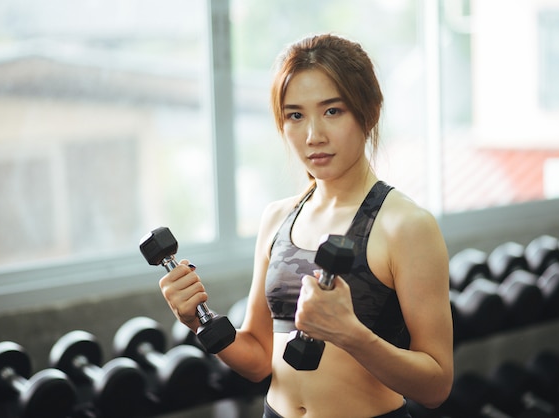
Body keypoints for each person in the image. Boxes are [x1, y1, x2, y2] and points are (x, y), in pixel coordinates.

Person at [159, 33, 454, 418]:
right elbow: (260, 359)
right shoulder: (277, 218)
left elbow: (437, 386)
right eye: (295, 115)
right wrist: (197, 320)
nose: (313, 136)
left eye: (332, 111)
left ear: (371, 111)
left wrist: (351, 335)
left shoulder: (405, 226)